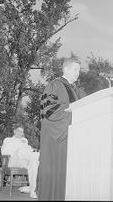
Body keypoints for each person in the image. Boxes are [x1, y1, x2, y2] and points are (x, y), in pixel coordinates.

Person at [37, 57, 86, 200]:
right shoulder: (55, 85)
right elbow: (48, 112)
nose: (78, 73)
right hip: (58, 138)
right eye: (75, 69)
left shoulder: (76, 90)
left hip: (72, 137)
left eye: (79, 70)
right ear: (65, 69)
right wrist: (73, 118)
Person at [1, 124, 40, 199]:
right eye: (18, 131)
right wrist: (18, 146)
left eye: (21, 132)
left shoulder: (24, 140)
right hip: (13, 161)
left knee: (34, 163)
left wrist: (24, 144)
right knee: (21, 151)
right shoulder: (8, 140)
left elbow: (29, 151)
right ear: (14, 131)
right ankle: (39, 156)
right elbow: (4, 152)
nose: (20, 133)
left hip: (23, 161)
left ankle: (32, 191)